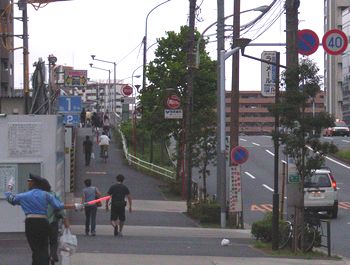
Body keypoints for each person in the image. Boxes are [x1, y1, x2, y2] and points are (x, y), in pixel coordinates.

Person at [4, 174, 65, 265]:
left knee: (35, 248)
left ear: (33, 183)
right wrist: (75, 206)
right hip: (43, 222)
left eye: (29, 181)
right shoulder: (46, 195)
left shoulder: (24, 196)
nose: (28, 183)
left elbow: (10, 199)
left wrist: (9, 188)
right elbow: (58, 206)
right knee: (43, 247)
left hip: (31, 223)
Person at [40, 178, 70, 264]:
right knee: (53, 241)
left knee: (43, 241)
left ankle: (45, 258)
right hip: (53, 222)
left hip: (41, 222)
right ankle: (53, 256)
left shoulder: (38, 196)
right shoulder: (53, 195)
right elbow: (60, 207)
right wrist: (65, 219)